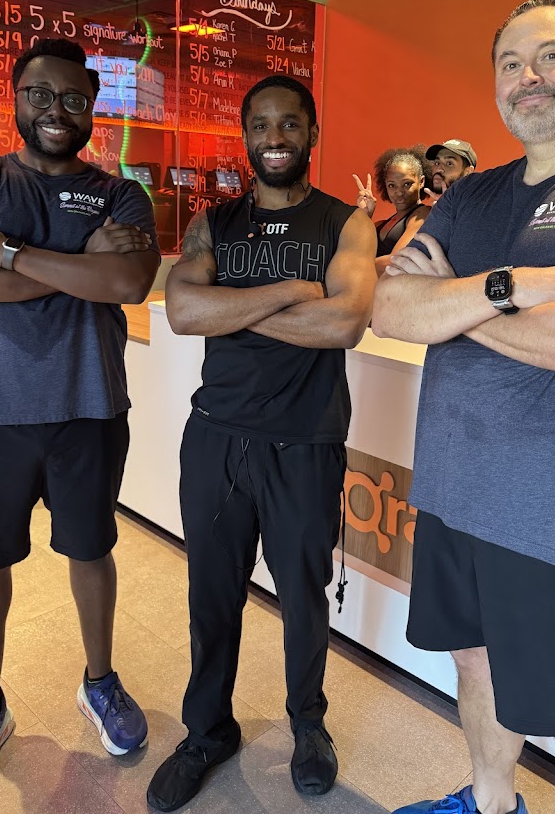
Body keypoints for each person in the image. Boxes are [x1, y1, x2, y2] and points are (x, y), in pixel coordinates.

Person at [373, 0, 555, 814]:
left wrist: (456, 302)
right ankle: (491, 803)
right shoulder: (471, 197)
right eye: (511, 62)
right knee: (473, 664)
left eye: (550, 55)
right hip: (454, 488)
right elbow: (390, 308)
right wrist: (512, 287)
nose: (527, 76)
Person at [0, 38, 161, 800]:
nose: (57, 110)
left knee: (92, 550)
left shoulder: (121, 193)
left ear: (92, 106)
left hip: (89, 407)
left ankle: (100, 681)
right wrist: (78, 262)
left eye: (73, 98)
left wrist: (9, 254)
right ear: (16, 100)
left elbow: (126, 281)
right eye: (40, 95)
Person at [147, 74, 376, 812]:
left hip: (304, 443)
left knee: (303, 599)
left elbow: (344, 323)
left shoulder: (346, 223)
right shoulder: (214, 223)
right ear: (245, 136)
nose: (274, 139)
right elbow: (182, 312)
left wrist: (230, 309)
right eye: (261, 126)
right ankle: (207, 731)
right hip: (215, 440)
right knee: (211, 596)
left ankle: (308, 725)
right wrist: (289, 293)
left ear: (311, 133)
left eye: (289, 124)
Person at [353, 149, 429, 275]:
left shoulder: (422, 215)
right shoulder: (380, 224)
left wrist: (352, 269)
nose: (399, 192)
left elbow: (397, 261)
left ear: (421, 182)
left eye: (407, 184)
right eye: (392, 185)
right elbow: (352, 253)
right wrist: (365, 216)